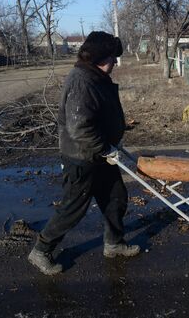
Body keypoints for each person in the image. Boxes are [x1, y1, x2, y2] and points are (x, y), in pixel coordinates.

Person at [28, 31, 140, 276]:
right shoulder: (82, 82)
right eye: (113, 57)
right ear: (104, 58)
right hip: (82, 156)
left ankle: (114, 244)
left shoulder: (94, 76)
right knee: (73, 208)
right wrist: (104, 149)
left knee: (115, 198)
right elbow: (80, 127)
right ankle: (41, 250)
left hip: (100, 153)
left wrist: (111, 139)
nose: (115, 63)